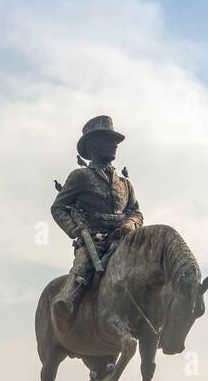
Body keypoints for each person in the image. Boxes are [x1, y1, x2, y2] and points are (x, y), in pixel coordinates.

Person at [50, 115, 144, 322]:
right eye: (108, 140)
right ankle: (65, 300)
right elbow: (58, 208)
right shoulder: (80, 176)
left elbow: (136, 212)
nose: (114, 146)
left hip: (124, 239)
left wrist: (130, 224)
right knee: (83, 263)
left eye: (115, 142)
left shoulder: (124, 183)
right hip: (94, 239)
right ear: (93, 146)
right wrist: (77, 232)